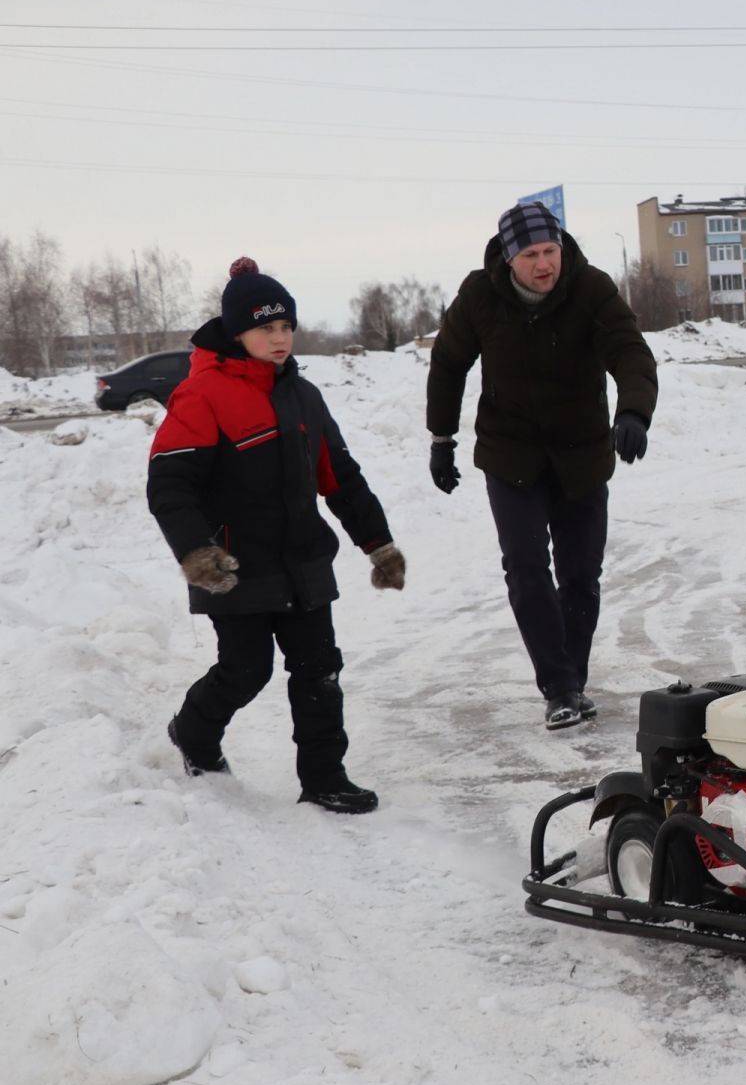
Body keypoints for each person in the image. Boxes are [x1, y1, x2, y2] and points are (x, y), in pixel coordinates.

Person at [148, 258, 405, 815]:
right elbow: (169, 485)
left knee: (319, 669)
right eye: (266, 327)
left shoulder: (304, 396)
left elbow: (340, 476)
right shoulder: (203, 395)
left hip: (303, 560)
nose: (279, 337)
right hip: (235, 565)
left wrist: (377, 543)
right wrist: (198, 553)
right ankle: (192, 731)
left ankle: (323, 776)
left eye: (286, 327)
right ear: (238, 331)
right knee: (246, 670)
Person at [425, 203, 659, 730]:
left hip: (581, 453)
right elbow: (448, 363)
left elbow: (629, 349)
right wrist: (442, 439)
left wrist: (633, 412)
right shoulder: (480, 295)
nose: (544, 263)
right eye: (531, 254)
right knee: (526, 567)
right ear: (510, 257)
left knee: (581, 574)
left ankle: (571, 679)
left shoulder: (590, 287)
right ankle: (558, 686)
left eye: (550, 250)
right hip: (512, 455)